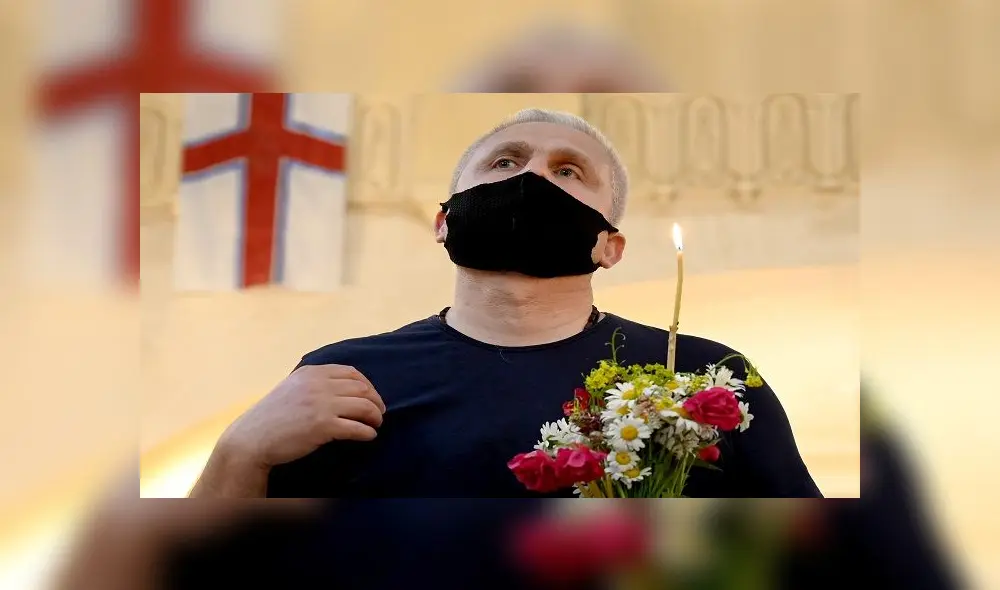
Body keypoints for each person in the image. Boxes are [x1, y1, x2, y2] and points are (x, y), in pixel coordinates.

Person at [190, 108, 821, 499]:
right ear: (443, 222)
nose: (532, 178)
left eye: (569, 171)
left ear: (610, 245)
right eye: (506, 161)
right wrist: (239, 453)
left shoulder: (708, 381)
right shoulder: (341, 376)